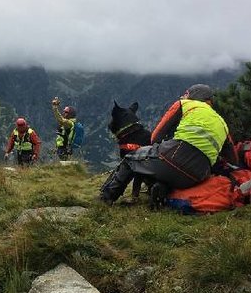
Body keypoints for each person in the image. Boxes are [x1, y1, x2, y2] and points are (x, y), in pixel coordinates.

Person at [99, 84, 238, 207]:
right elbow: (233, 160)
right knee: (170, 172)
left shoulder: (184, 105)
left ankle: (106, 198)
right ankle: (160, 189)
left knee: (131, 158)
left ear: (193, 95)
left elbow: (155, 137)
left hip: (175, 156)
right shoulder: (222, 122)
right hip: (199, 175)